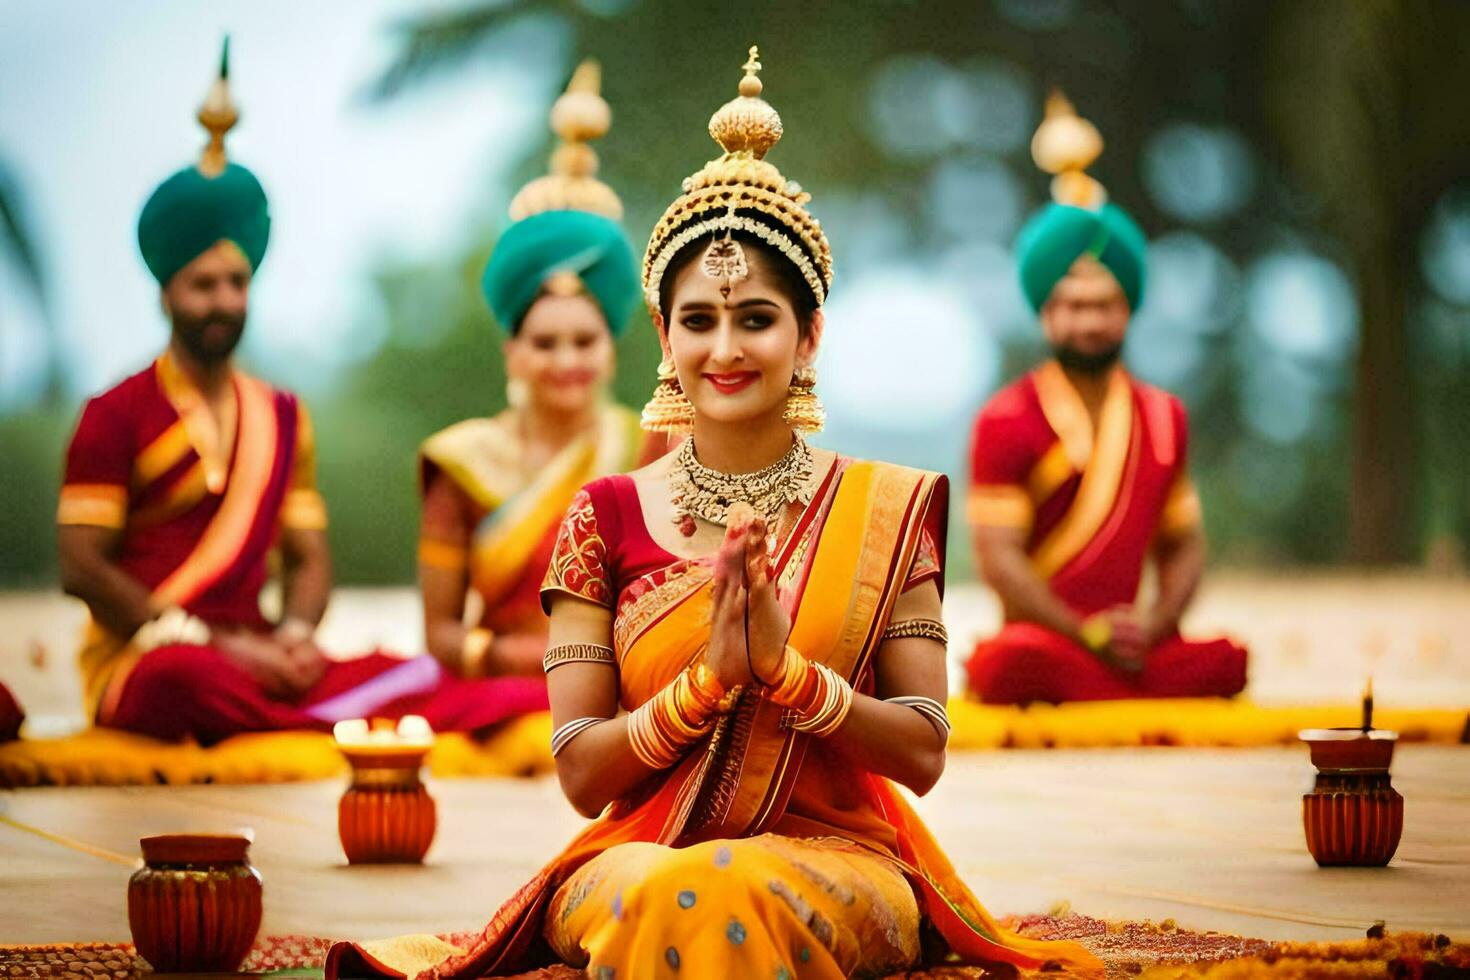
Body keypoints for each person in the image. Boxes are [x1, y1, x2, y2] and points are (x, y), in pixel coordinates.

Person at [328, 49, 1099, 979]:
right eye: (697, 320)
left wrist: (787, 675)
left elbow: (924, 751)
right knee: (672, 892)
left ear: (810, 333)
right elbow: (580, 773)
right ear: (661, 334)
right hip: (634, 863)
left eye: (756, 319)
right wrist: (709, 683)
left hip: (841, 860)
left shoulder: (885, 509)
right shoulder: (604, 514)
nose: (724, 349)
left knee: (731, 888)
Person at [56, 42, 545, 745]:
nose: (222, 301)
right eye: (202, 285)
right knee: (184, 682)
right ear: (165, 293)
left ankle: (309, 712)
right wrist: (218, 646)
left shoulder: (281, 415)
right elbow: (80, 567)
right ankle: (324, 720)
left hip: (260, 658)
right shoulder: (115, 413)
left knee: (409, 672)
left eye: (236, 283)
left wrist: (292, 634)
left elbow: (308, 558)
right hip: (149, 660)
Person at [964, 92, 1247, 705]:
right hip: (1048, 641)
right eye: (1072, 306)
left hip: (1136, 641)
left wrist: (1156, 624)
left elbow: (1184, 542)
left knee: (1226, 661)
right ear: (1045, 315)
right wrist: (1082, 633)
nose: (1088, 321)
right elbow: (998, 559)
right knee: (1007, 665)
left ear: (1128, 310)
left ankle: (1116, 678)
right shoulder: (1006, 419)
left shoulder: (1164, 417)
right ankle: (1115, 681)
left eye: (1103, 305)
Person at [418, 62, 658, 684]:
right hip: (496, 692)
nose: (567, 361)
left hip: (621, 691)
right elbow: (440, 632)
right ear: (512, 353)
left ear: (611, 347)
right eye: (545, 342)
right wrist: (515, 662)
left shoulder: (652, 448)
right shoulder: (461, 462)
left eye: (585, 340)